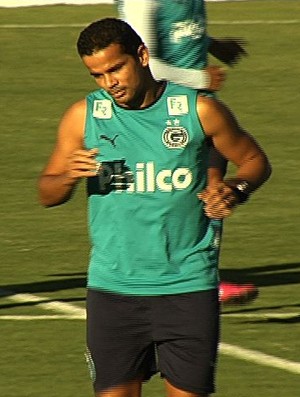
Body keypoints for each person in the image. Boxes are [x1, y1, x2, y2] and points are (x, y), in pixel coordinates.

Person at [38, 18, 271, 397]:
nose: (109, 82)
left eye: (116, 68)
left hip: (187, 286)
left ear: (142, 56)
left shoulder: (198, 110)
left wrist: (235, 189)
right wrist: (67, 177)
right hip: (113, 290)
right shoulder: (84, 116)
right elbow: (46, 192)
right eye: (97, 75)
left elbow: (254, 161)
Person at [116, 0, 258, 305]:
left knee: (212, 192)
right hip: (164, 115)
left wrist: (212, 45)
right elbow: (146, 65)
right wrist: (199, 78)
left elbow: (181, 33)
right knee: (170, 198)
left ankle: (205, 280)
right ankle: (159, 278)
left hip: (199, 112)